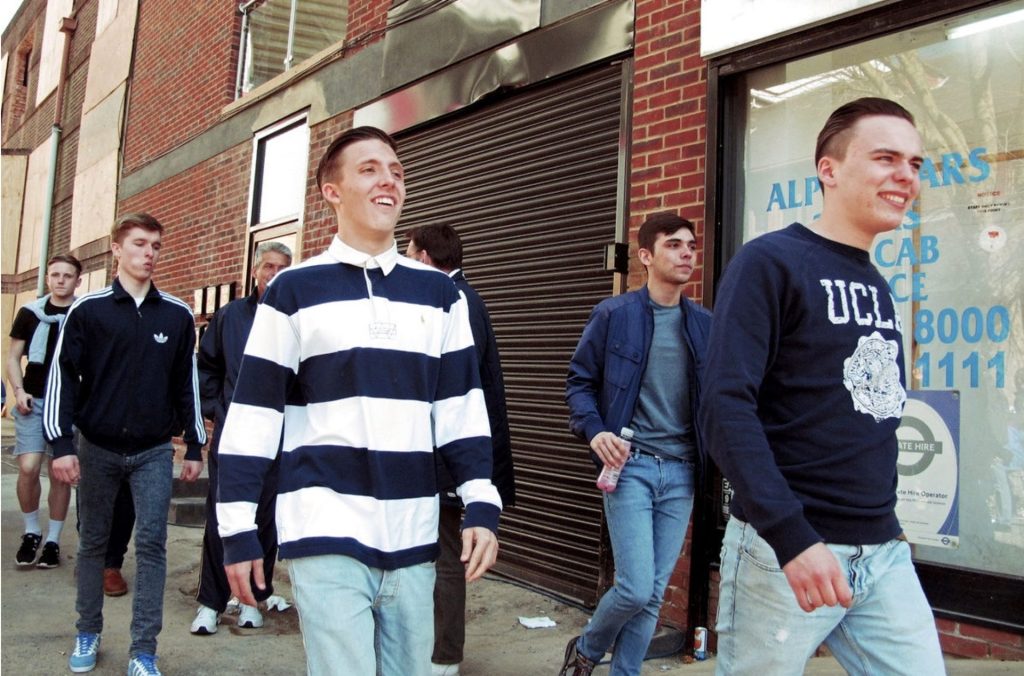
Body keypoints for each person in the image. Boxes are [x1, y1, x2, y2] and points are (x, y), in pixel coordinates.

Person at [217, 126, 502, 676]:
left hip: (416, 532)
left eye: (395, 171)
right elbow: (253, 416)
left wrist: (481, 503)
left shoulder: (442, 295)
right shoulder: (293, 290)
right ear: (332, 191)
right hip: (324, 528)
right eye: (369, 169)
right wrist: (236, 528)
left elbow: (461, 409)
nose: (388, 180)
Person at [699, 97, 945, 675]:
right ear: (828, 169)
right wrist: (791, 536)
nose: (905, 176)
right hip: (785, 551)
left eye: (915, 163)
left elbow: (867, 413)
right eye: (886, 157)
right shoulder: (770, 262)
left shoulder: (878, 283)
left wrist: (888, 524)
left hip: (880, 552)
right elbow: (723, 407)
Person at [45, 212, 206, 676]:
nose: (148, 254)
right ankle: (87, 630)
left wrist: (194, 446)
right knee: (93, 543)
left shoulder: (175, 315)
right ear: (117, 249)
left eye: (155, 246)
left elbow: (186, 384)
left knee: (152, 544)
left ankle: (143, 651)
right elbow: (63, 381)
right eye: (139, 244)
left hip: (154, 451)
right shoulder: (88, 310)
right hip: (95, 447)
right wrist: (61, 446)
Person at [560, 212, 710, 676]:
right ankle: (586, 651)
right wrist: (596, 429)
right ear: (646, 255)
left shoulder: (704, 323)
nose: (686, 252)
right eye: (674, 245)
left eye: (690, 245)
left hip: (683, 471)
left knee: (654, 590)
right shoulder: (615, 314)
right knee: (635, 587)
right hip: (631, 467)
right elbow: (578, 382)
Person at [405, 224, 516, 676]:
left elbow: (455, 393)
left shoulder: (455, 302)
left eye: (409, 254)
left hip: (451, 458)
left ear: (427, 257)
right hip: (446, 457)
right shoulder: (463, 297)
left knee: (447, 558)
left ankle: (443, 659)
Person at [190, 240, 292, 635]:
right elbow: (207, 366)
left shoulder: (294, 320)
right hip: (234, 435)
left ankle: (253, 599)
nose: (274, 274)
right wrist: (217, 410)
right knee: (223, 519)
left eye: (283, 267)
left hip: (277, 438)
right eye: (268, 266)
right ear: (255, 271)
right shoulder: (230, 317)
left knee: (264, 520)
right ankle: (210, 603)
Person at [6, 254, 81, 569]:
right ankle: (31, 531)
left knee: (59, 472)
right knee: (28, 466)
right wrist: (19, 391)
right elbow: (12, 358)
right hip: (34, 400)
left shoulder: (84, 313)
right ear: (48, 278)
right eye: (55, 275)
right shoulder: (30, 313)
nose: (60, 280)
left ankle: (52, 540)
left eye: (67, 275)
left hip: (69, 404)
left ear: (78, 280)